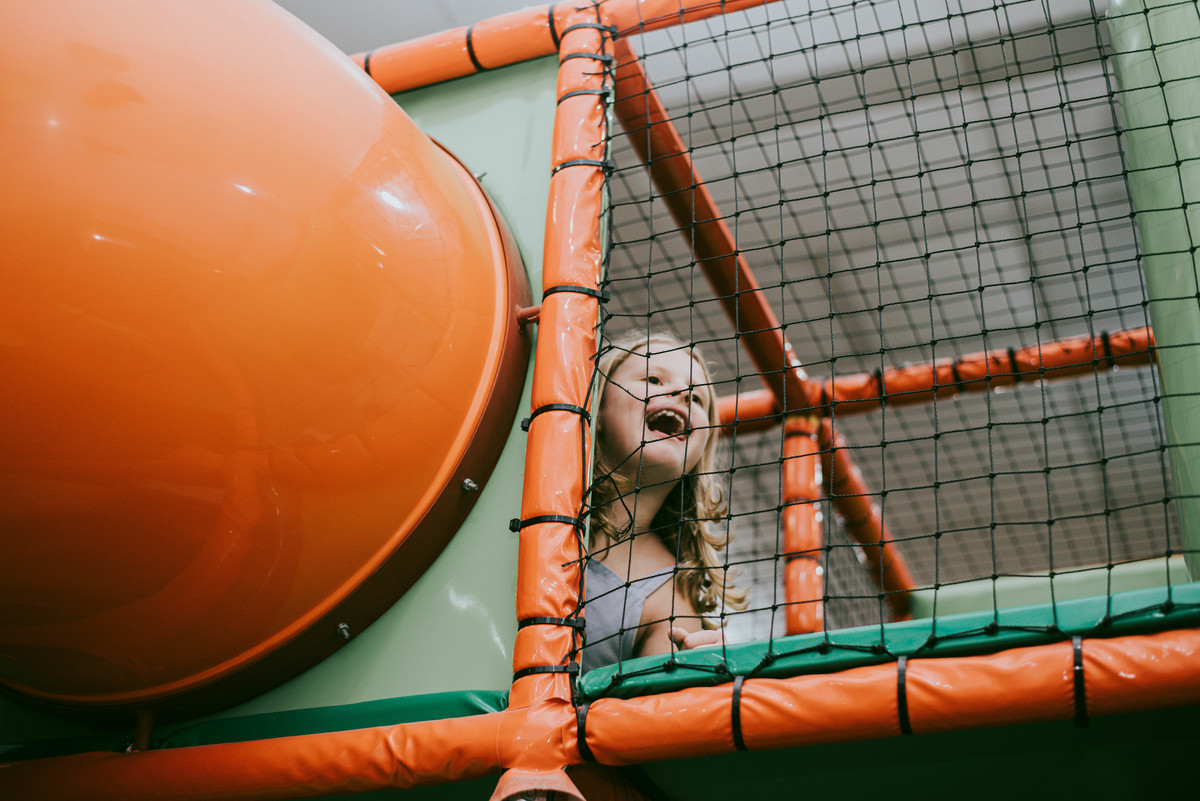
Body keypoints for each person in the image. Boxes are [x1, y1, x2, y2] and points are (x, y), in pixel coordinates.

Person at [580, 331, 747, 671]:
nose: (681, 393)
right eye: (653, 379)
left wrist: (699, 676)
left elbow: (657, 701)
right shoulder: (531, 495)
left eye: (696, 398)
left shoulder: (671, 597)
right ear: (598, 408)